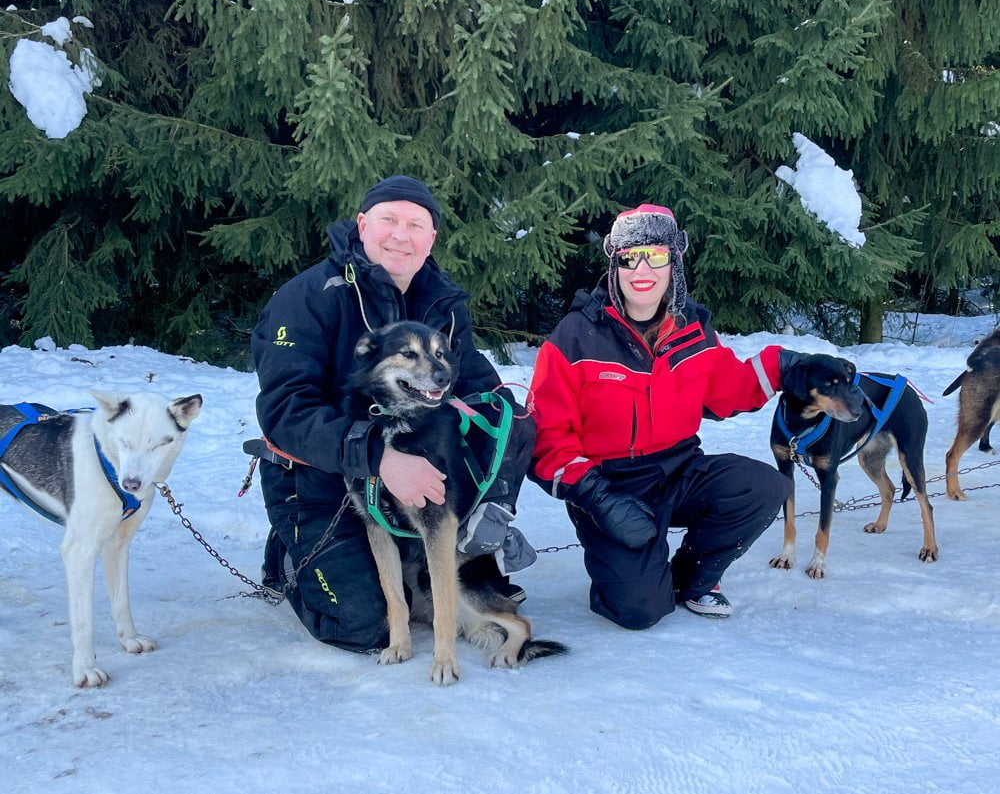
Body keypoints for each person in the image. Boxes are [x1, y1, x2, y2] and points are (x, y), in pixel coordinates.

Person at [251, 175, 536, 653]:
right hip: (321, 482)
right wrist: (379, 458)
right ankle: (289, 554)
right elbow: (285, 409)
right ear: (363, 224)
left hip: (421, 478)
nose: (401, 235)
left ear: (431, 238)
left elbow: (483, 394)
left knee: (478, 601)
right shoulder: (307, 299)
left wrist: (498, 489)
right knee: (365, 624)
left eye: (415, 224)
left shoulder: (442, 303)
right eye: (389, 220)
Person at [529, 203, 805, 629]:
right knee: (640, 612)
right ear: (614, 265)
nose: (642, 268)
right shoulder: (573, 336)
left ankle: (693, 578)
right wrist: (597, 499)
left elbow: (727, 391)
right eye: (628, 257)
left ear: (673, 262)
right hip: (607, 483)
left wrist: (782, 366)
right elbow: (547, 437)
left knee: (764, 485)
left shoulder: (692, 329)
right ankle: (625, 577)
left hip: (679, 467)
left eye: (656, 255)